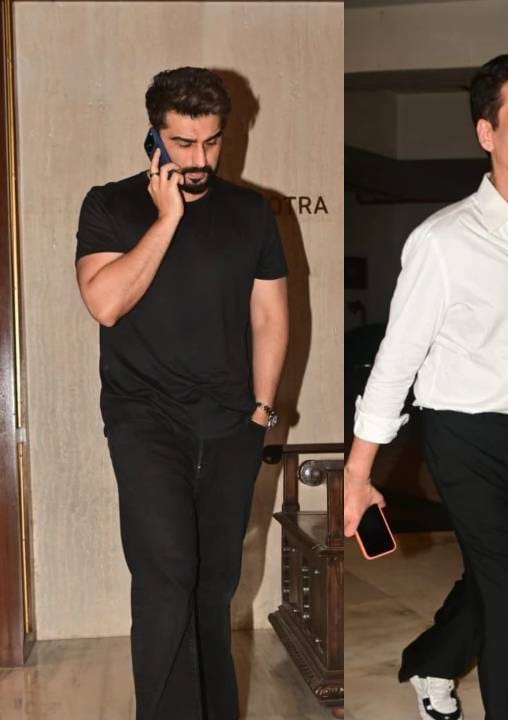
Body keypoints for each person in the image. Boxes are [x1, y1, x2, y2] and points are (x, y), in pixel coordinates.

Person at [342, 52, 508, 720]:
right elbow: (397, 357)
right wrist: (358, 471)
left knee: (499, 576)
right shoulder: (443, 241)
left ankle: (432, 662)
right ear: (486, 133)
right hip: (464, 437)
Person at [74, 67, 288, 720]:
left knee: (213, 586)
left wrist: (261, 411)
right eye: (183, 143)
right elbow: (105, 303)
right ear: (154, 135)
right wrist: (167, 219)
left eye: (211, 142)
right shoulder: (110, 205)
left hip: (231, 425)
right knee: (167, 576)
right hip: (145, 421)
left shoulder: (250, 212)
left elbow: (269, 316)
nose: (199, 159)